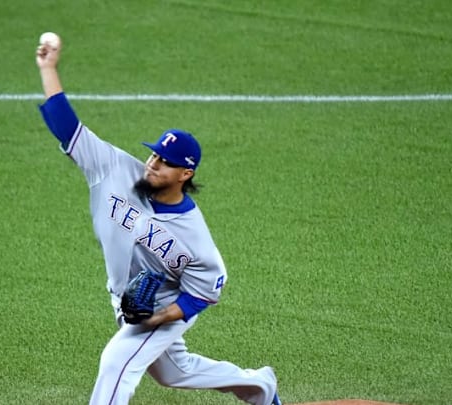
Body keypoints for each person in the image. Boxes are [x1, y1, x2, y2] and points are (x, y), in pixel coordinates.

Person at [35, 35, 282, 405]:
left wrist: (160, 317)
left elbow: (207, 288)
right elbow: (66, 127)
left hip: (161, 306)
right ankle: (261, 387)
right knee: (173, 372)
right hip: (124, 298)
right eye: (153, 156)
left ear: (185, 173)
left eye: (165, 162)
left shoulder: (193, 236)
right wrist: (49, 68)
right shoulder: (113, 168)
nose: (153, 164)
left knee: (117, 361)